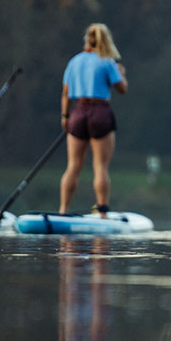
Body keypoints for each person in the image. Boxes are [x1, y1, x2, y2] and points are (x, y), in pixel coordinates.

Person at [59, 23, 127, 218]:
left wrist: (65, 117)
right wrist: (121, 73)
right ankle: (103, 211)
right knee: (100, 166)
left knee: (73, 165)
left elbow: (65, 94)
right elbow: (121, 89)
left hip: (78, 112)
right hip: (100, 113)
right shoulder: (107, 62)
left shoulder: (74, 61)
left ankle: (63, 209)